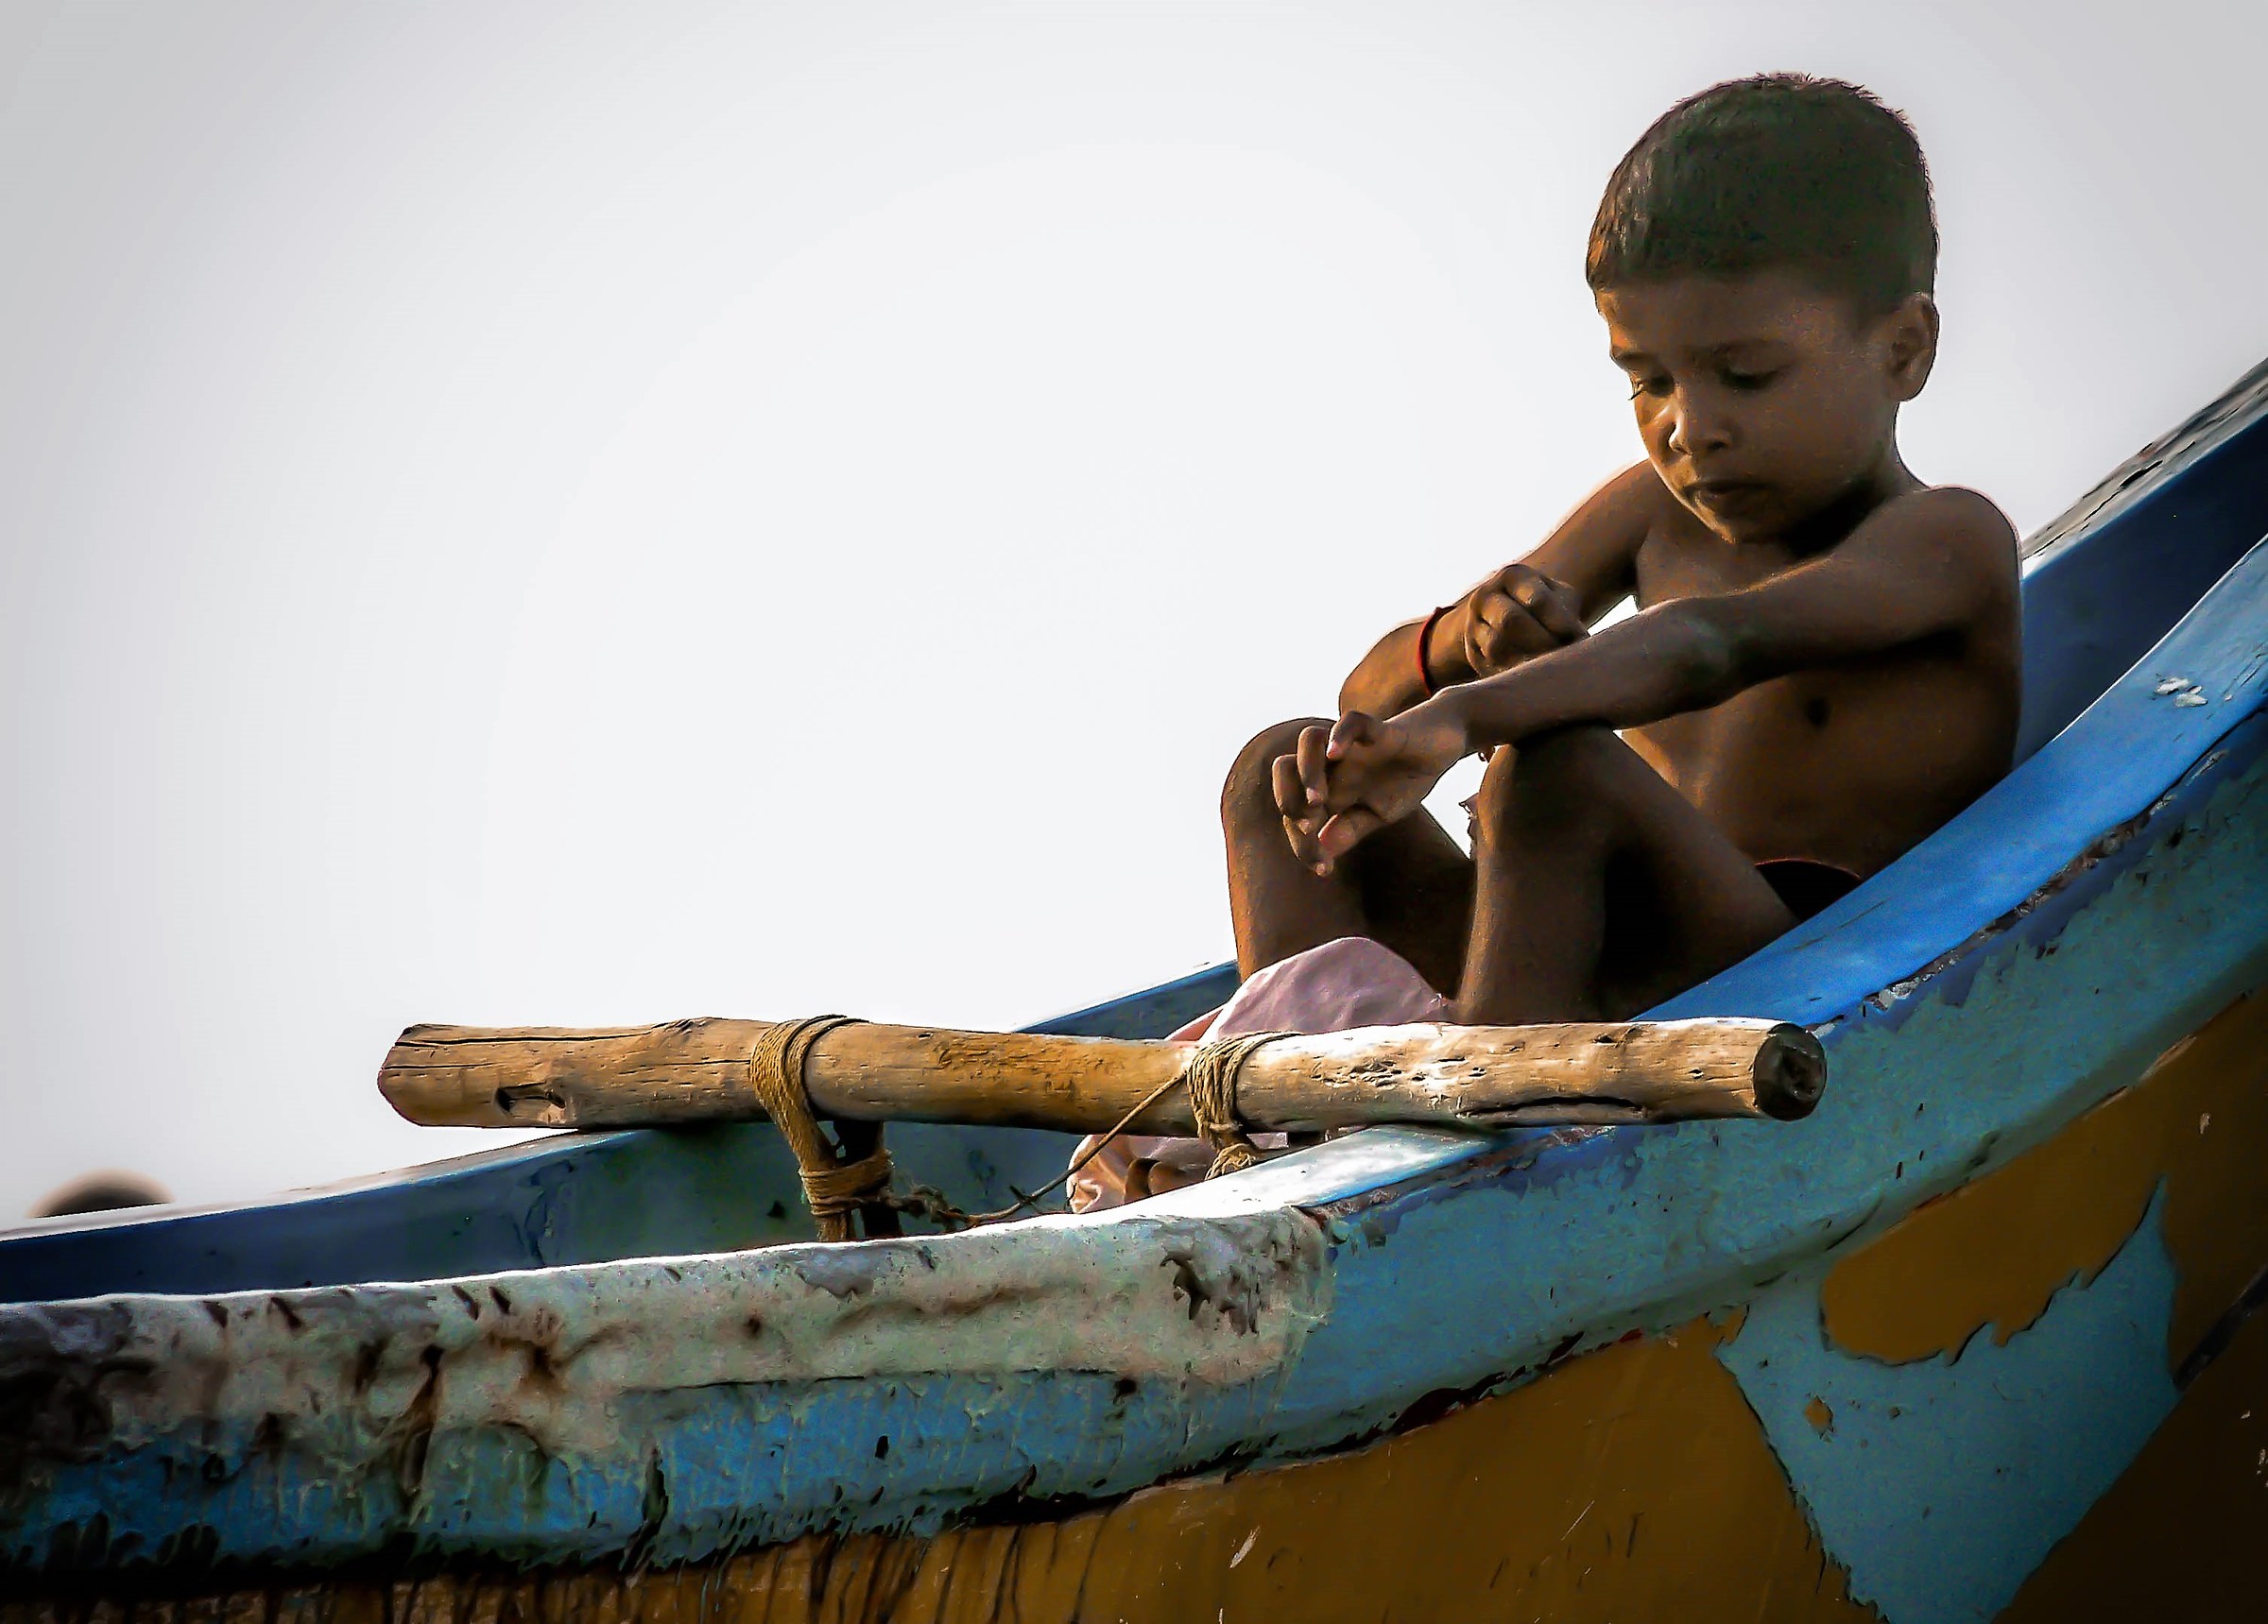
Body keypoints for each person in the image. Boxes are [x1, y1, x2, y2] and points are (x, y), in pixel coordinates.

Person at [1073, 74, 2021, 1210]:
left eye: (1746, 375)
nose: (1689, 424)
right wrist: (1460, 643)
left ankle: (1459, 1165)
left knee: (1557, 765)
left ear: (1903, 349)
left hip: (1785, 980)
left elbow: (1712, 642)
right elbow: (1372, 695)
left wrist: (1469, 716)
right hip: (1571, 967)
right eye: (1648, 379)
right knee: (1283, 769)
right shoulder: (1650, 510)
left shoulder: (1943, 539)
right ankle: (1281, 1138)